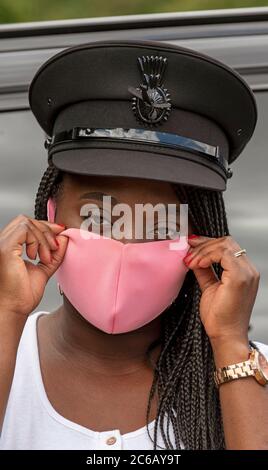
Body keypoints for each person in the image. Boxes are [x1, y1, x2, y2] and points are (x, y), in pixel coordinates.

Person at [0, 40, 267, 451]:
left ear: (202, 239)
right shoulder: (8, 355)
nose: (125, 241)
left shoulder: (252, 373)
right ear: (50, 215)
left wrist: (231, 345)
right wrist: (6, 314)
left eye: (159, 224)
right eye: (99, 217)